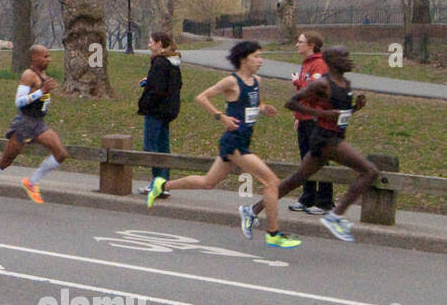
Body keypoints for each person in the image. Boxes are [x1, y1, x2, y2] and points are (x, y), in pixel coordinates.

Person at [147, 40, 300, 248]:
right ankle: (273, 233)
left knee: (208, 183)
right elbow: (202, 98)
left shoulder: (257, 81)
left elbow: (254, 102)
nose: (260, 60)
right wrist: (221, 117)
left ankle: (161, 185)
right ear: (244, 60)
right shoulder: (231, 81)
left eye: (260, 56)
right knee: (272, 182)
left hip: (244, 139)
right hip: (234, 142)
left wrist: (264, 108)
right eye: (256, 56)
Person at [253, 45, 379, 242]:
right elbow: (291, 102)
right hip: (326, 139)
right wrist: (321, 114)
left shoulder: (345, 83)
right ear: (332, 61)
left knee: (296, 179)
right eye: (344, 56)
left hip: (333, 136)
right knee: (369, 171)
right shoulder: (323, 84)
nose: (349, 59)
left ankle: (253, 210)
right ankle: (335, 216)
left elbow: (338, 115)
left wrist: (356, 109)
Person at [0, 44, 69, 208]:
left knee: (61, 153)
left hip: (38, 123)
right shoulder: (28, 75)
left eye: (49, 56)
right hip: (24, 123)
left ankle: (31, 182)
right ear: (34, 58)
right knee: (5, 161)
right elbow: (19, 102)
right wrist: (42, 92)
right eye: (45, 56)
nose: (49, 59)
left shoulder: (43, 75)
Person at [288, 31, 335, 216]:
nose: (296, 45)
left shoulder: (320, 64)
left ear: (311, 45)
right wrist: (297, 117)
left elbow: (313, 91)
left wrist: (296, 82)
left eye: (300, 42)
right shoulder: (307, 63)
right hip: (305, 118)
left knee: (320, 158)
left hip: (317, 120)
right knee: (305, 160)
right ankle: (308, 197)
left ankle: (325, 201)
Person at [136, 30, 182, 198]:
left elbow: (158, 89)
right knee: (163, 147)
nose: (149, 45)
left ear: (159, 44)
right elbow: (174, 86)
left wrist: (144, 103)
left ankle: (157, 183)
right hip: (168, 111)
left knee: (150, 147)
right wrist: (148, 82)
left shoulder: (159, 63)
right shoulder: (173, 63)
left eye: (151, 42)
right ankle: (164, 184)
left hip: (155, 111)